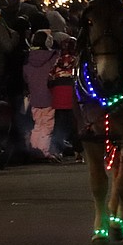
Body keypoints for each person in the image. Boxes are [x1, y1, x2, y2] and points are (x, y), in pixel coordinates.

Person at [23, 30, 60, 162]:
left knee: (38, 124)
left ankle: (34, 149)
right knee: (47, 124)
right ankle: (44, 151)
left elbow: (26, 78)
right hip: (49, 95)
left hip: (35, 97)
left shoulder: (28, 58)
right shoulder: (53, 57)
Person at [49, 34, 80, 162]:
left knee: (60, 125)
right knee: (76, 125)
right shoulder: (76, 61)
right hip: (73, 95)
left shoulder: (56, 61)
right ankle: (79, 152)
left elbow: (50, 77)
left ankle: (57, 151)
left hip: (58, 96)